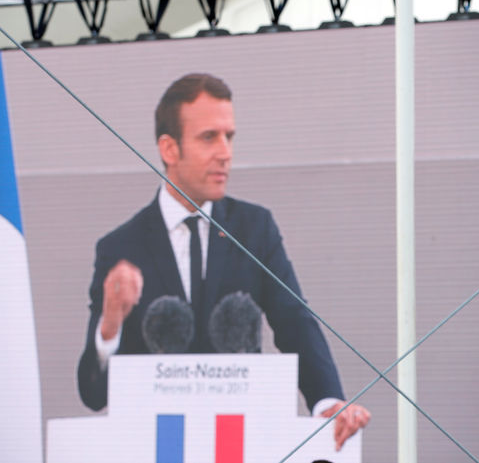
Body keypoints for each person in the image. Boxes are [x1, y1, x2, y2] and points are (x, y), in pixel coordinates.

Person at [77, 73, 369, 450]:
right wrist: (110, 323)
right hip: (159, 449)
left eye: (229, 137)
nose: (225, 152)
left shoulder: (255, 228)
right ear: (169, 149)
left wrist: (327, 401)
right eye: (208, 137)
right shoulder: (120, 248)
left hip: (239, 446)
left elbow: (295, 323)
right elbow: (92, 393)